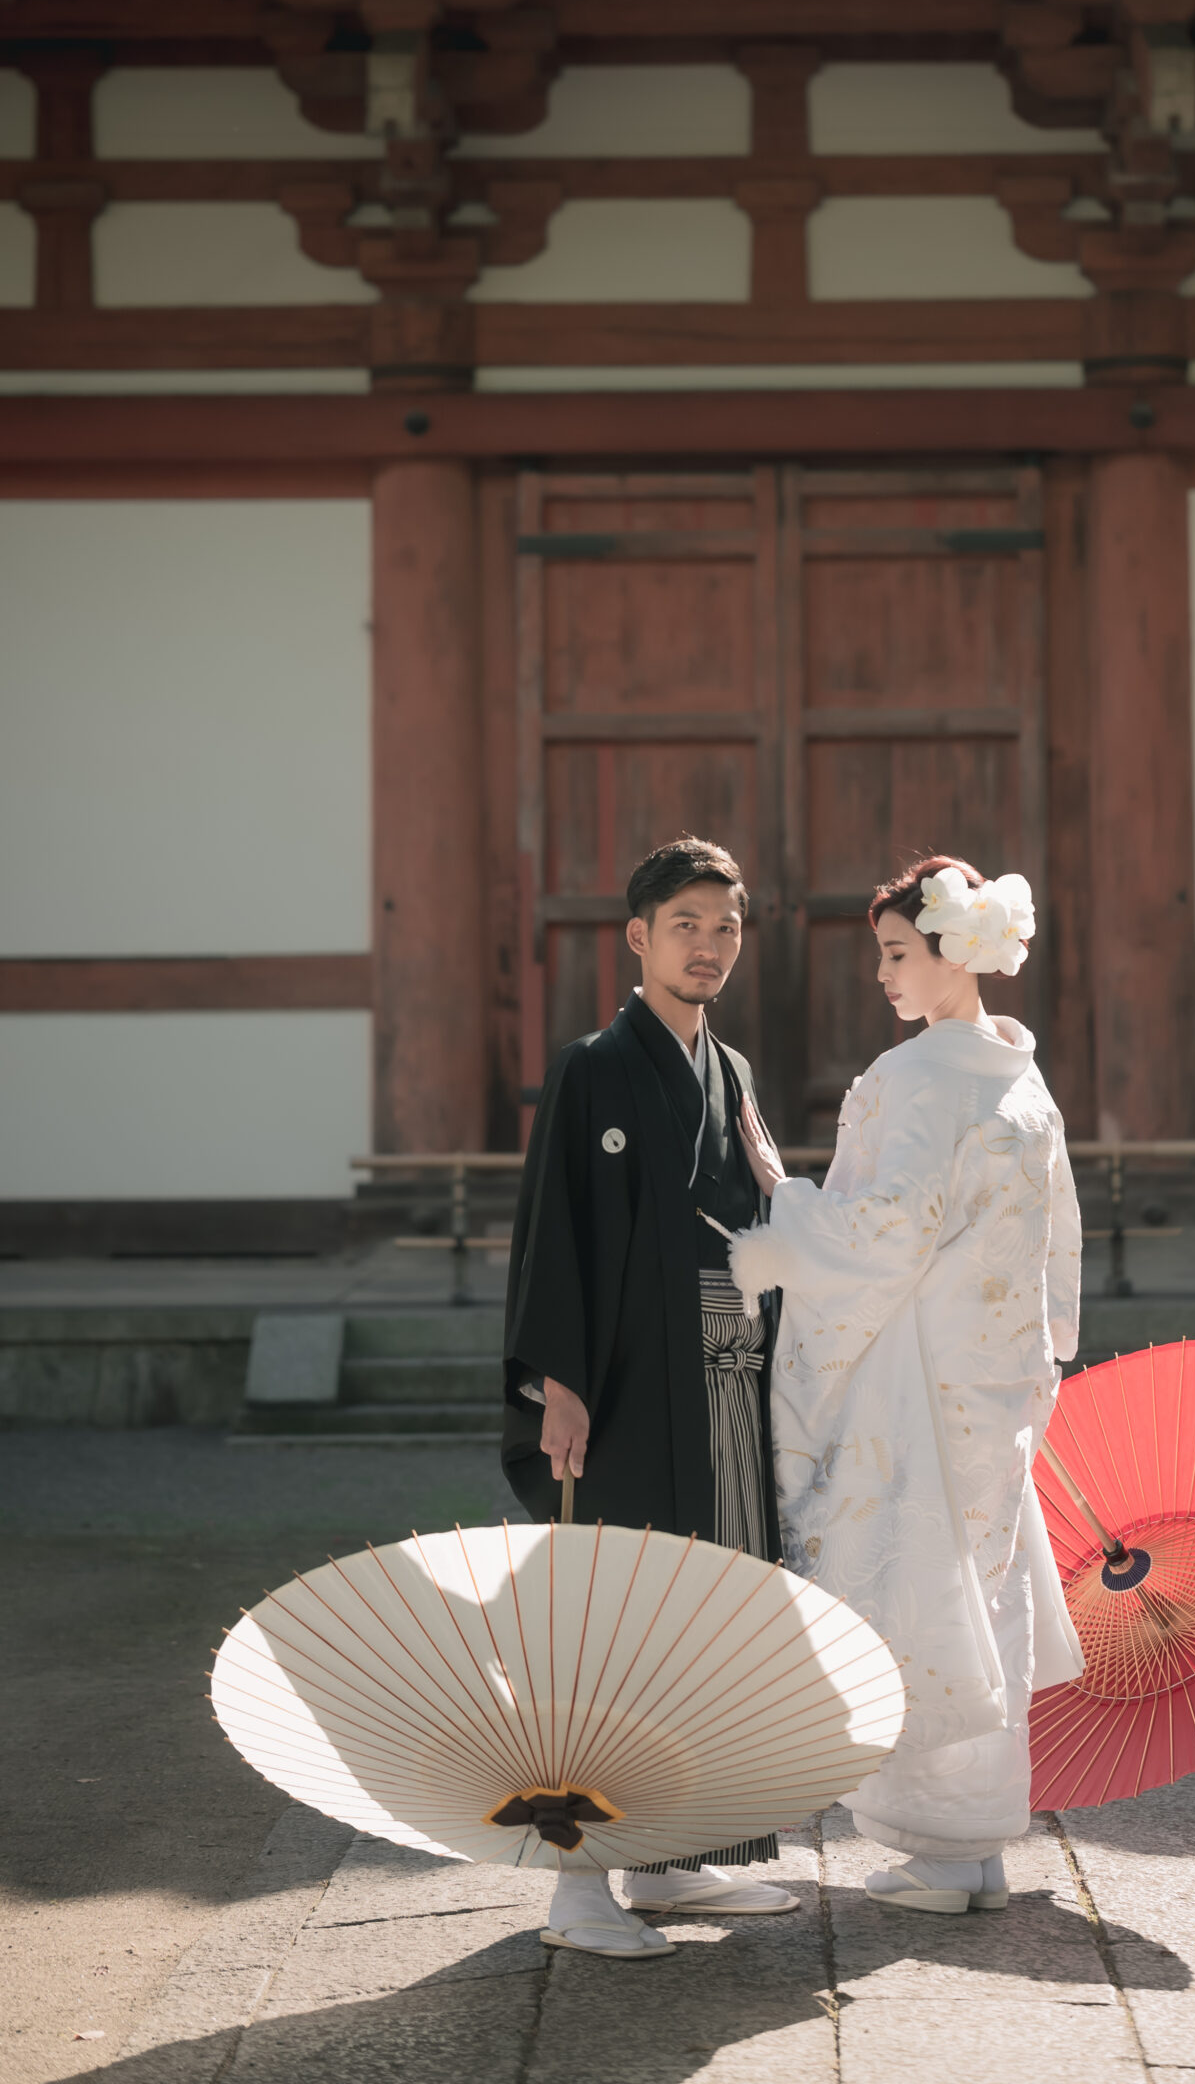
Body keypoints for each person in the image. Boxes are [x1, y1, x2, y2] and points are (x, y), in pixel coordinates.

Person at [729, 854, 1084, 1915]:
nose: (883, 975)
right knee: (979, 1585)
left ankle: (937, 1845)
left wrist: (780, 1213)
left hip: (915, 1365)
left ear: (950, 953)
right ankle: (972, 1844)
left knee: (913, 1582)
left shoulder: (914, 1076)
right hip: (995, 1371)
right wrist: (1040, 1349)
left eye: (895, 952)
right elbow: (1054, 1240)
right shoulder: (1020, 1073)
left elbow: (886, 1233)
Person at [501, 835, 796, 1958]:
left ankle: (675, 1858)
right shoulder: (592, 1065)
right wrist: (556, 1387)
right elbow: (554, 1236)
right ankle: (578, 1887)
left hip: (722, 1379)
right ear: (636, 936)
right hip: (620, 1387)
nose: (709, 945)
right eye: (686, 924)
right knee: (609, 1629)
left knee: (710, 1615)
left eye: (725, 927)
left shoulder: (734, 1073)